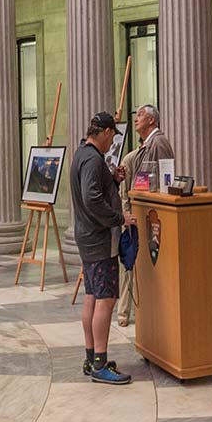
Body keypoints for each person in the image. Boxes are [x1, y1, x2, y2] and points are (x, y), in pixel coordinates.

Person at [71, 112, 134, 385]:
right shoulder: (93, 159)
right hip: (99, 239)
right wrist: (120, 219)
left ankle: (90, 357)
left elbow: (95, 190)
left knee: (92, 296)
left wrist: (114, 181)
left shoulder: (81, 155)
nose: (112, 143)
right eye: (112, 137)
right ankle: (99, 363)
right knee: (106, 299)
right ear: (106, 132)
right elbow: (91, 198)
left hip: (87, 236)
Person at [126, 105, 175, 189]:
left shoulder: (158, 142)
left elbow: (165, 181)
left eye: (140, 115)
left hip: (153, 200)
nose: (135, 120)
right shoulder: (148, 143)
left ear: (151, 120)